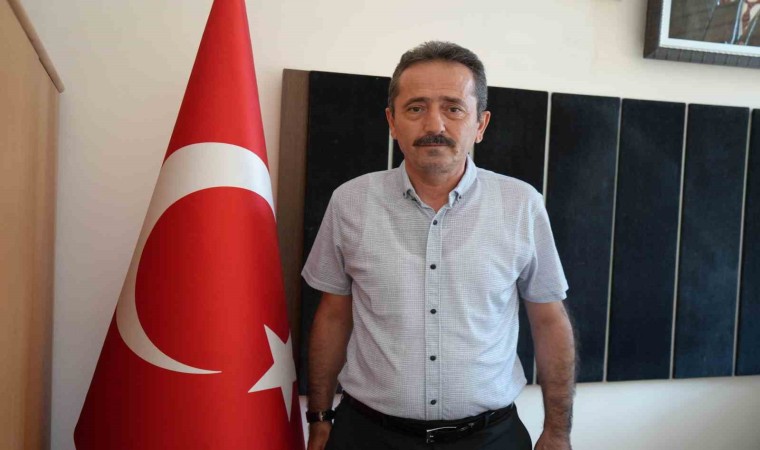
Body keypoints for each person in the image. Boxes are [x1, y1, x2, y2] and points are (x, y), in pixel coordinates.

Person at [301, 41, 575, 450]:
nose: (435, 125)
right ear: (392, 121)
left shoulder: (522, 205)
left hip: (491, 439)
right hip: (368, 436)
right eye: (415, 108)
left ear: (480, 124)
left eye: (453, 108)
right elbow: (333, 316)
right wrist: (320, 419)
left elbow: (549, 321)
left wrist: (557, 430)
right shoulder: (350, 202)